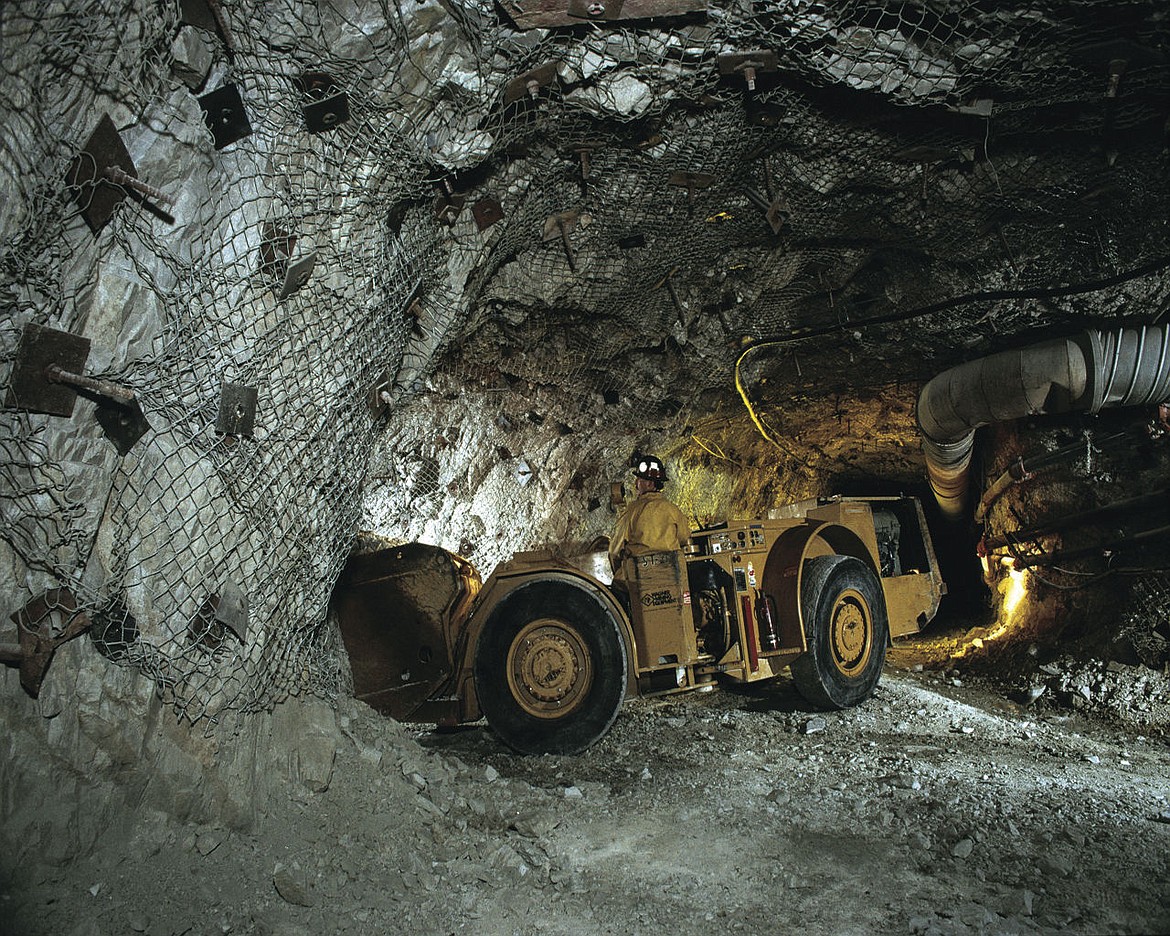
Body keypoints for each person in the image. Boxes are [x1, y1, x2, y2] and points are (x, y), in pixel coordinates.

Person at [609, 454, 691, 587]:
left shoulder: (632, 511)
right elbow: (684, 537)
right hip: (671, 575)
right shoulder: (673, 509)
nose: (636, 484)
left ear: (649, 483)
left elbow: (614, 550)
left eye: (639, 479)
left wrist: (619, 571)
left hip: (639, 576)